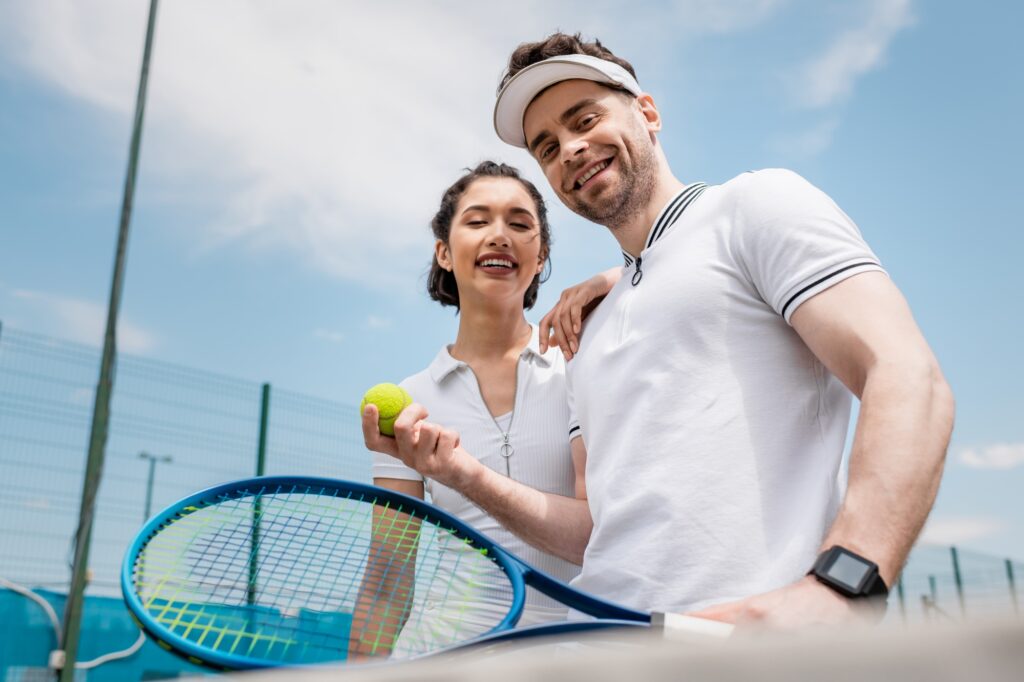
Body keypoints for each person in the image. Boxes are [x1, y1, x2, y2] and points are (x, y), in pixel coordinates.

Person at [373, 32, 955, 630]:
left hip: (746, 652)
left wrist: (845, 583)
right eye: (547, 146)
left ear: (648, 113)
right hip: (605, 647)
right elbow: (595, 533)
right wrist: (458, 474)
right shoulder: (588, 333)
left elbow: (907, 376)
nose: (569, 149)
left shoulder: (756, 206)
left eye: (585, 119)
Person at [352, 161, 584, 658]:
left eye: (520, 224)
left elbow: (599, 533)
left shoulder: (583, 368)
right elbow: (388, 576)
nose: (499, 235)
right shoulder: (410, 401)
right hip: (439, 657)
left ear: (540, 256)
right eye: (478, 221)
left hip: (573, 657)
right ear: (444, 252)